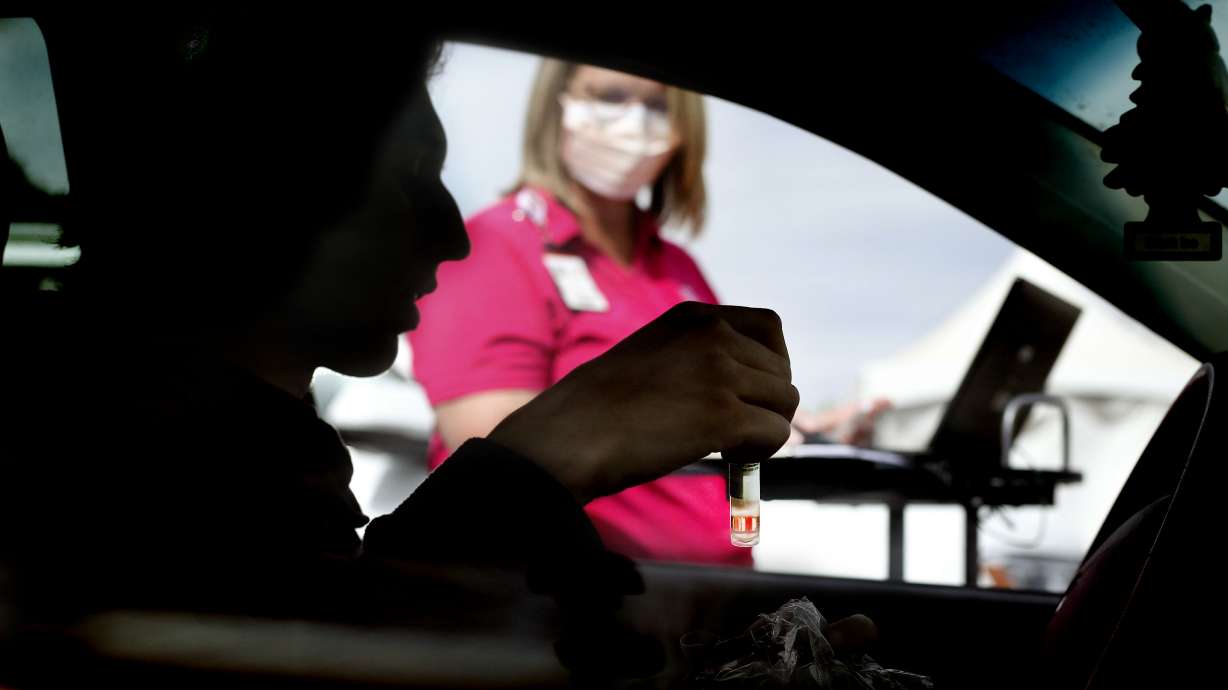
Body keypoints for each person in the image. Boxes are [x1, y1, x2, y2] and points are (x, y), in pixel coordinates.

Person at [1, 14, 815, 682]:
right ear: (268, 179)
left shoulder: (241, 451)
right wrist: (536, 461)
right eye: (413, 173)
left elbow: (319, 615)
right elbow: (306, 661)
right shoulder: (119, 461)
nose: (453, 235)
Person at [410, 60, 887, 565]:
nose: (635, 121)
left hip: (712, 592)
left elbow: (710, 409)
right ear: (557, 104)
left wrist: (798, 428)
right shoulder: (496, 245)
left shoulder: (676, 266)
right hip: (591, 597)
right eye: (610, 96)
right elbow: (493, 467)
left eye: (659, 105)